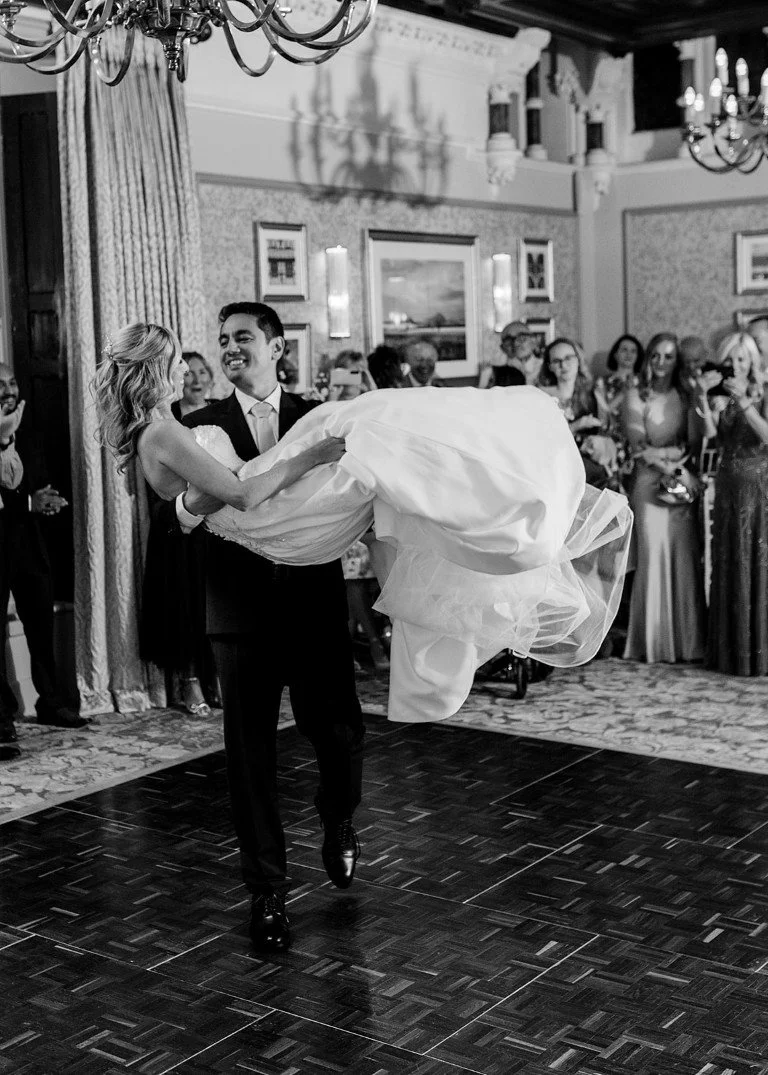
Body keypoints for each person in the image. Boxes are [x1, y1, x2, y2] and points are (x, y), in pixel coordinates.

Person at [92, 314, 362, 956]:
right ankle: (267, 891)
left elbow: (358, 490)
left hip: (314, 602)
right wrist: (190, 510)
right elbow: (176, 519)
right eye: (221, 341)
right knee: (249, 758)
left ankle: (339, 815)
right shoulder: (192, 425)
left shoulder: (320, 412)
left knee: (342, 732)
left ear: (276, 347)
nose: (224, 350)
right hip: (239, 607)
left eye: (243, 337)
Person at [140, 349, 220, 715]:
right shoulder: (166, 423)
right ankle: (189, 680)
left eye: (202, 371)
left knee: (215, 600)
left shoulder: (221, 415)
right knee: (185, 601)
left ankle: (216, 673)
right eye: (187, 372)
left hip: (216, 523)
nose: (196, 377)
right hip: (180, 523)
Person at [620, 332, 706, 663]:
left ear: (676, 361)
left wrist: (673, 454)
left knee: (685, 559)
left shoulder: (684, 395)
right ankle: (652, 643)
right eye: (655, 355)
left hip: (682, 482)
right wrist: (671, 453)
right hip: (647, 485)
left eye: (668, 356)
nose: (660, 362)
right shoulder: (635, 394)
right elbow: (639, 447)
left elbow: (694, 442)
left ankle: (688, 643)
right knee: (652, 558)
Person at [698, 332, 768, 675]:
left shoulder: (763, 391)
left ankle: (757, 651)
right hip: (726, 483)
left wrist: (744, 403)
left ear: (753, 361)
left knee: (755, 557)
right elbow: (711, 435)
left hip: (758, 486)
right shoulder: (722, 395)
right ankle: (730, 650)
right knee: (728, 558)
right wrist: (702, 395)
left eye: (742, 359)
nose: (736, 366)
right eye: (731, 360)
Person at [594, 334, 643, 434]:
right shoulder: (602, 382)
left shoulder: (644, 381)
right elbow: (603, 417)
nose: (629, 354)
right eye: (624, 350)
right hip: (611, 437)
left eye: (633, 351)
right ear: (615, 354)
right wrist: (624, 393)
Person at [478, 321, 530, 389]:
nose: (515, 344)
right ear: (502, 347)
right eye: (509, 343)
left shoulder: (541, 366)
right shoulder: (497, 368)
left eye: (522, 339)